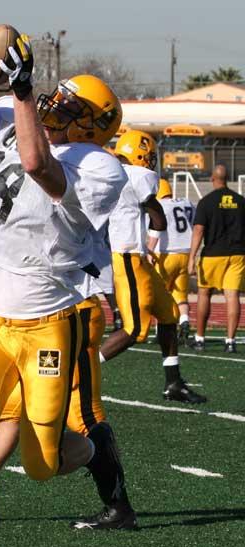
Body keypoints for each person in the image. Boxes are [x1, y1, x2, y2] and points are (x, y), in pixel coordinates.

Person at [0, 33, 127, 547]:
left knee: (45, 461)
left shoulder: (101, 168)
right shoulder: (13, 113)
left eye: (70, 109)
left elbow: (37, 165)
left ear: (94, 127)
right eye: (56, 99)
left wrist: (21, 89)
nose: (54, 108)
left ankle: (98, 450)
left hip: (49, 320)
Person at [100, 130, 206, 404]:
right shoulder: (138, 175)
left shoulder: (110, 170)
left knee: (170, 314)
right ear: (141, 154)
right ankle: (80, 371)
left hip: (132, 256)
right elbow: (158, 218)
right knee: (135, 329)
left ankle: (173, 383)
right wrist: (154, 235)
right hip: (129, 256)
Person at [188, 164, 245, 353]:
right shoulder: (241, 201)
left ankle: (200, 338)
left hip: (213, 254)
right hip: (237, 254)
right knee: (232, 296)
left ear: (213, 178)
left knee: (204, 294)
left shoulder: (206, 201)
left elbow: (198, 229)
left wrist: (191, 257)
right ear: (227, 178)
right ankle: (230, 341)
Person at [148, 178, 195, 344]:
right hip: (185, 253)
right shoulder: (187, 202)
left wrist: (149, 252)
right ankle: (184, 320)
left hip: (166, 255)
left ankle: (161, 332)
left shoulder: (158, 205)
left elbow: (156, 229)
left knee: (160, 295)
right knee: (181, 294)